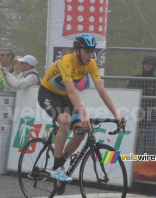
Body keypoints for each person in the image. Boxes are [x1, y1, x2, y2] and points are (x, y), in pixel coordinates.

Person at [38, 33, 123, 182]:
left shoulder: (91, 64)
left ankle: (62, 161)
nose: (90, 55)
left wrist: (116, 114)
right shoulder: (66, 61)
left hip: (64, 97)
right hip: (48, 94)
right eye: (87, 52)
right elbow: (71, 91)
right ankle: (56, 168)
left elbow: (101, 91)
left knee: (81, 131)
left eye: (92, 52)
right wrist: (84, 114)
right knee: (64, 121)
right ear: (77, 51)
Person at [127, 56, 156, 155]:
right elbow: (127, 94)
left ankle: (148, 169)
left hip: (151, 119)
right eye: (145, 64)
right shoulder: (135, 79)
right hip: (135, 119)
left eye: (149, 64)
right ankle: (132, 169)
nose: (147, 66)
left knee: (149, 149)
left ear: (153, 66)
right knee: (132, 148)